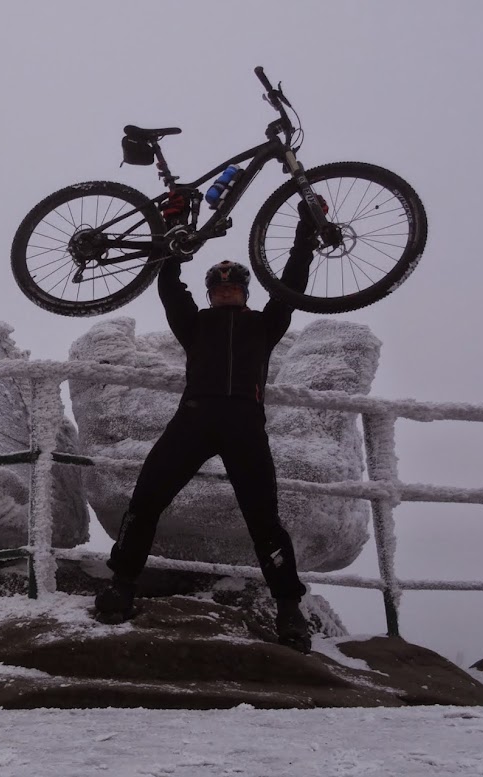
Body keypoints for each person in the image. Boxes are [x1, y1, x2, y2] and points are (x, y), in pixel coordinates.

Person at [93, 195, 326, 653]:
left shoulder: (266, 324)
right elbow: (168, 285)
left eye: (233, 287)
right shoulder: (194, 323)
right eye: (218, 289)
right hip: (194, 420)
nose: (225, 291)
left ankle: (288, 609)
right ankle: (121, 584)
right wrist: (173, 232)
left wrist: (306, 231)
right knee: (146, 499)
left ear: (244, 292)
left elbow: (290, 284)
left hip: (244, 425)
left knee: (264, 522)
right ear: (209, 295)